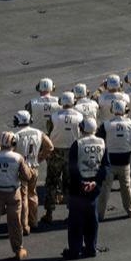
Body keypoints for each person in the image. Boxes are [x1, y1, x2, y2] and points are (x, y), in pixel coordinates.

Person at [0, 131, 33, 260]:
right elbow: (28, 176)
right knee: (15, 223)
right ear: (13, 143)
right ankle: (18, 250)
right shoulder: (18, 158)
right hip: (13, 193)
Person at [64, 117, 108, 259]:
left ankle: (75, 250)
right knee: (92, 220)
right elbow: (105, 166)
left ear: (82, 129)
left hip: (78, 188)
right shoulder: (102, 143)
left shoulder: (77, 144)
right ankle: (91, 248)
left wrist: (82, 183)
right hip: (94, 188)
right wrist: (95, 182)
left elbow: (72, 167)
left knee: (76, 221)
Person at [95, 99, 131, 219]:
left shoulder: (106, 124)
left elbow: (97, 139)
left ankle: (99, 214)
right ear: (125, 110)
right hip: (125, 162)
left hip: (110, 161)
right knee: (126, 187)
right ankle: (130, 210)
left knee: (105, 189)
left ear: (112, 110)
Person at [11, 109, 53, 233]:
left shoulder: (16, 135)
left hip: (22, 168)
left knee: (23, 196)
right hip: (34, 167)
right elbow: (50, 147)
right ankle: (34, 221)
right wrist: (40, 158)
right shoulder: (39, 133)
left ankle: (24, 225)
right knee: (32, 194)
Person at [43, 92, 82, 222]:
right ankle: (71, 212)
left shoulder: (54, 117)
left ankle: (49, 212)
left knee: (52, 182)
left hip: (56, 152)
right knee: (70, 183)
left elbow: (49, 132)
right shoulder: (80, 116)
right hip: (72, 151)